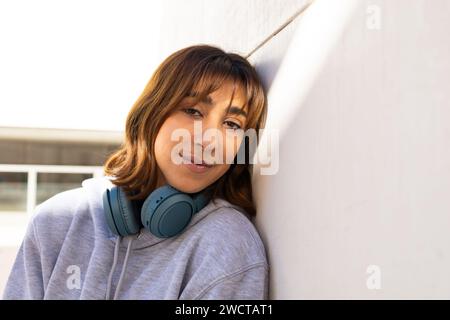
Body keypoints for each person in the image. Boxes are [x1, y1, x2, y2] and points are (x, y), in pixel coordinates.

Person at [3, 44, 269, 299]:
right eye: (192, 111)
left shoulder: (227, 245)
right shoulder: (57, 221)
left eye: (232, 124)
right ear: (152, 113)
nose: (210, 140)